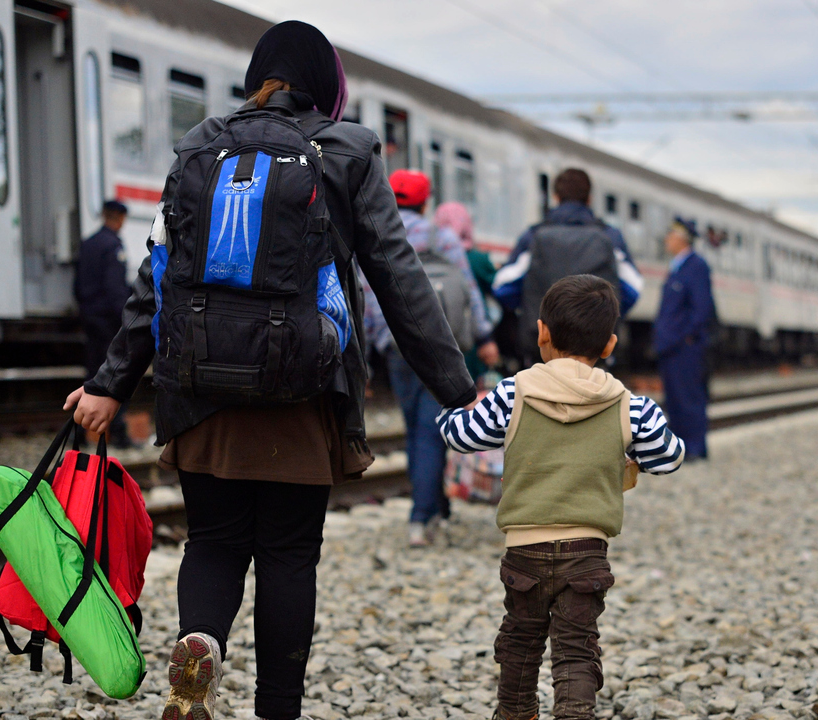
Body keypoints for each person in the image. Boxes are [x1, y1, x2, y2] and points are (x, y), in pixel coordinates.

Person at [63, 22, 475, 720]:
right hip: (299, 391)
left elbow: (156, 276)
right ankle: (276, 709)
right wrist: (457, 392)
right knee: (288, 554)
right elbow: (400, 281)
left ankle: (199, 644)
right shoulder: (347, 151)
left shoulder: (200, 145)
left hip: (202, 390)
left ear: (257, 75)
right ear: (327, 84)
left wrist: (110, 383)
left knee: (214, 542)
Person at [438, 274, 685, 720]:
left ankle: (515, 713)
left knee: (520, 639)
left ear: (542, 334)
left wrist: (444, 411)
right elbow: (669, 457)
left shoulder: (512, 393)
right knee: (576, 647)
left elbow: (461, 435)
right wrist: (630, 453)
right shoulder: (630, 405)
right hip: (587, 550)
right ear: (609, 345)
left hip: (525, 550)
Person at [362, 171, 499, 547]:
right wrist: (484, 335)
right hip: (441, 344)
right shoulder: (444, 238)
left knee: (416, 429)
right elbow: (468, 290)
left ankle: (430, 509)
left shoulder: (373, 232)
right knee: (431, 430)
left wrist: (369, 348)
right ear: (425, 204)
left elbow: (366, 294)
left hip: (395, 345)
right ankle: (424, 515)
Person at [493, 168, 643, 366]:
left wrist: (529, 310)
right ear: (589, 199)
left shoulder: (534, 236)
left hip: (543, 348)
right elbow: (632, 289)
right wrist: (606, 318)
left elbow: (503, 288)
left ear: (556, 197)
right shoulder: (610, 237)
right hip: (594, 350)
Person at [654, 217, 715, 461]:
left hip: (684, 346)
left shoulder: (696, 266)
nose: (667, 240)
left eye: (670, 235)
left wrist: (687, 336)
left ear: (682, 239)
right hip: (672, 345)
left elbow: (701, 308)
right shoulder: (677, 266)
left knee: (689, 398)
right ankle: (680, 448)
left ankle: (694, 448)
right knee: (675, 400)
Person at [74, 200, 133, 447]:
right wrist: (126, 319)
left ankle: (79, 433)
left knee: (92, 374)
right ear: (119, 218)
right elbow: (115, 288)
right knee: (116, 373)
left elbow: (77, 285)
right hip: (109, 322)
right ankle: (118, 433)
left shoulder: (88, 243)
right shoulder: (113, 245)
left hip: (90, 318)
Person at [435, 201, 499, 381]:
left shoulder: (434, 257)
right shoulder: (478, 259)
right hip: (470, 335)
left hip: (440, 331)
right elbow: (496, 288)